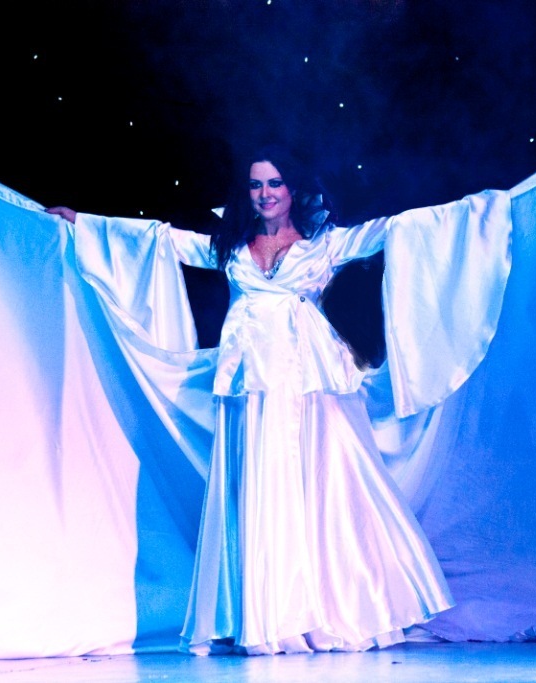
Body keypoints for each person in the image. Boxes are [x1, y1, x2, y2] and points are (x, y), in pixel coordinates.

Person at [46, 144, 464, 655]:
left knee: (324, 487)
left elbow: (392, 230)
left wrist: (473, 217)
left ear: (292, 189)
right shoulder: (230, 246)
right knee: (261, 490)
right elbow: (161, 240)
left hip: (309, 386)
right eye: (255, 184)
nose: (265, 194)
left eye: (274, 183)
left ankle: (330, 607)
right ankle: (268, 613)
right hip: (252, 387)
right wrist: (83, 224)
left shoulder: (323, 243)